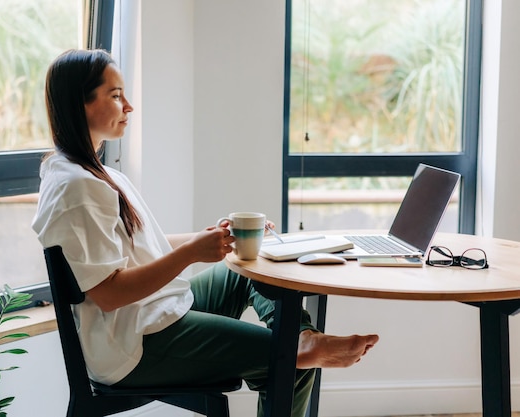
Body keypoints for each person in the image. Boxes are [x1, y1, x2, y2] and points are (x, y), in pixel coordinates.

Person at [32, 48, 379, 417]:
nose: (129, 106)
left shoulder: (94, 174)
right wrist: (191, 253)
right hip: (133, 345)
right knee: (290, 363)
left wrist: (211, 237)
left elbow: (140, 248)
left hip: (153, 315)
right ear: (80, 104)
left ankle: (303, 338)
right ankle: (298, 349)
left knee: (245, 271)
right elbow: (109, 293)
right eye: (116, 96)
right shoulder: (79, 188)